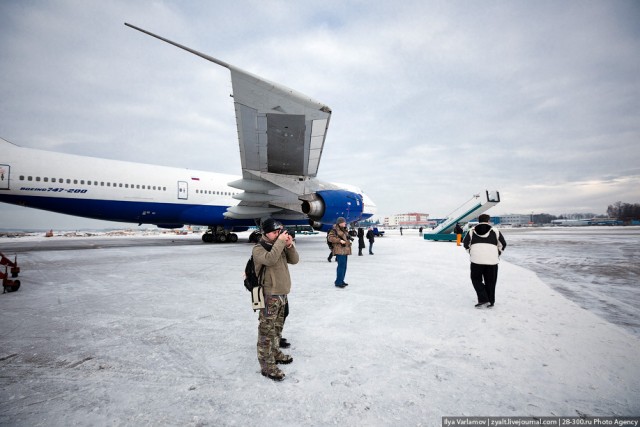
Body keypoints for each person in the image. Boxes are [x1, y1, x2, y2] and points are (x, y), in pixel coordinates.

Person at [253, 218, 299, 381]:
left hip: (282, 293)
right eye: (275, 232)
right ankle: (267, 365)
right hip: (269, 295)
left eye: (280, 231)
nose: (279, 234)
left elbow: (294, 260)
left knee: (277, 327)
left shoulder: (279, 245)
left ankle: (275, 352)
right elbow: (270, 259)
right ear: (265, 233)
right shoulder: (258, 248)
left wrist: (289, 245)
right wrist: (280, 242)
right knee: (266, 330)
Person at [462, 214, 507, 309]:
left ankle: (483, 298)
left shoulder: (471, 231)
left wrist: (471, 252)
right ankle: (490, 301)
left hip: (476, 260)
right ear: (488, 220)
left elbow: (465, 244)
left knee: (476, 279)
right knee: (491, 281)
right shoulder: (495, 231)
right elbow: (503, 244)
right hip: (492, 261)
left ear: (479, 220)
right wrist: (497, 253)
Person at [328, 217, 352, 288]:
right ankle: (338, 282)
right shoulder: (334, 230)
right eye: (344, 222)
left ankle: (341, 280)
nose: (345, 223)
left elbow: (346, 238)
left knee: (344, 267)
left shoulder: (344, 230)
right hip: (339, 250)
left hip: (345, 250)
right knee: (341, 266)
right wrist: (339, 240)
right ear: (340, 223)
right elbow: (330, 238)